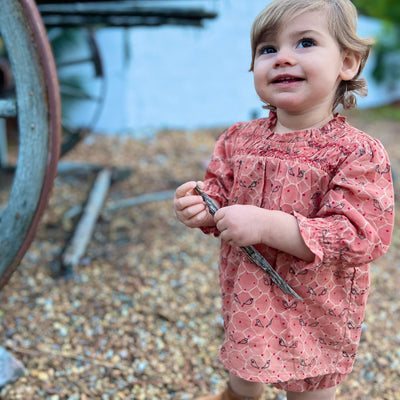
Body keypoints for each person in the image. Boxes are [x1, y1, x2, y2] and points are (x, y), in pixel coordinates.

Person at [173, 0, 394, 399]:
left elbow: (361, 235)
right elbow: (219, 195)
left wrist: (265, 225)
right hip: (249, 292)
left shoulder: (356, 153)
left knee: (308, 385)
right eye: (268, 49)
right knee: (244, 368)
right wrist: (200, 205)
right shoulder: (239, 139)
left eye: (305, 43)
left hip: (314, 302)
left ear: (348, 63)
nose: (282, 59)